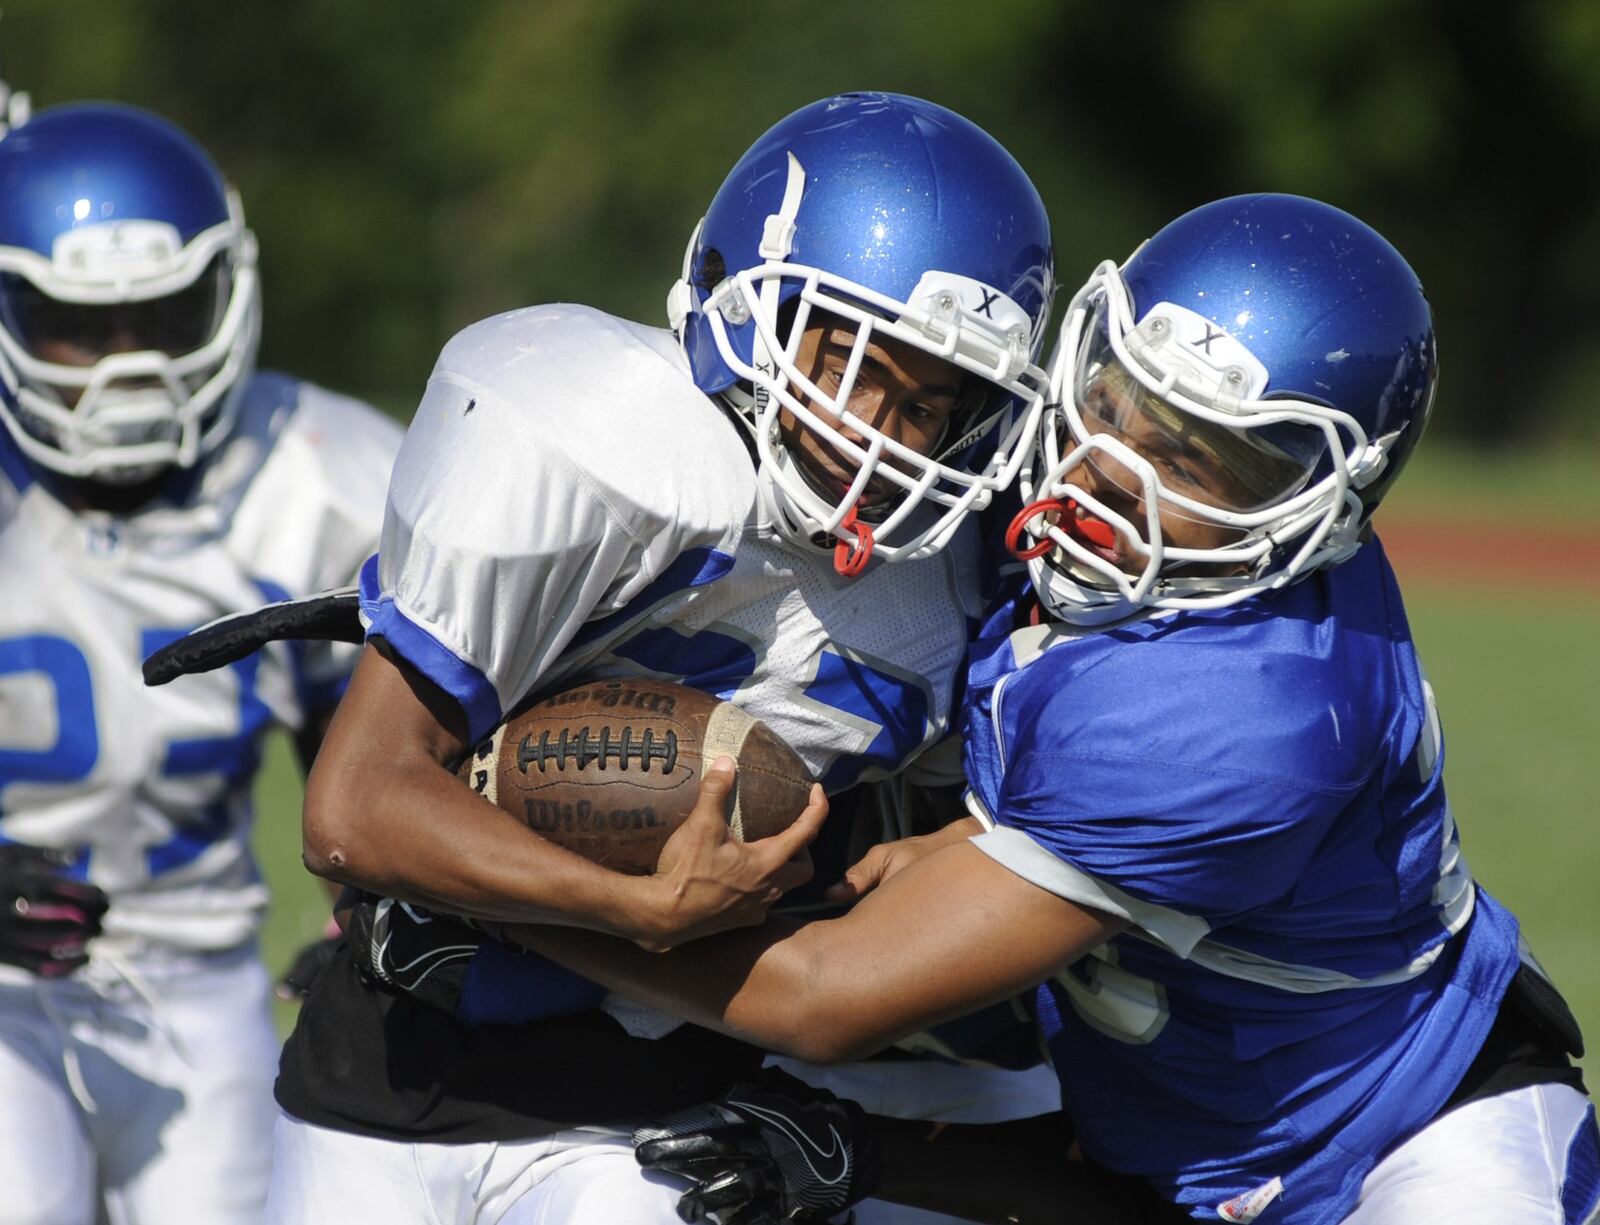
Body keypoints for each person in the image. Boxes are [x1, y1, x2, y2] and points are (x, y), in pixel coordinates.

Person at [492, 194, 1598, 1224]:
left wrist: (503, 909)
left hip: (1406, 1142)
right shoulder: (1053, 492)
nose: (1115, 468)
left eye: (1200, 456)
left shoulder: (1243, 713)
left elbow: (823, 999)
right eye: (1115, 397)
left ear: (1315, 510)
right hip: (1171, 1136)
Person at [249, 93, 1061, 1224]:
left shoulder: (965, 574)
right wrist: (616, 903)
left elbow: (936, 886)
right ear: (748, 294)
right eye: (847, 356)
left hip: (658, 1118)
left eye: (926, 400)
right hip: (385, 1078)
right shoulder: (584, 426)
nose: (875, 425)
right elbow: (355, 806)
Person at [0, 96, 402, 1224]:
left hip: (199, 973)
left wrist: (372, 923)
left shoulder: (317, 477)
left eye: (166, 316)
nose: (130, 369)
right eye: (82, 327)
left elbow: (388, 756)